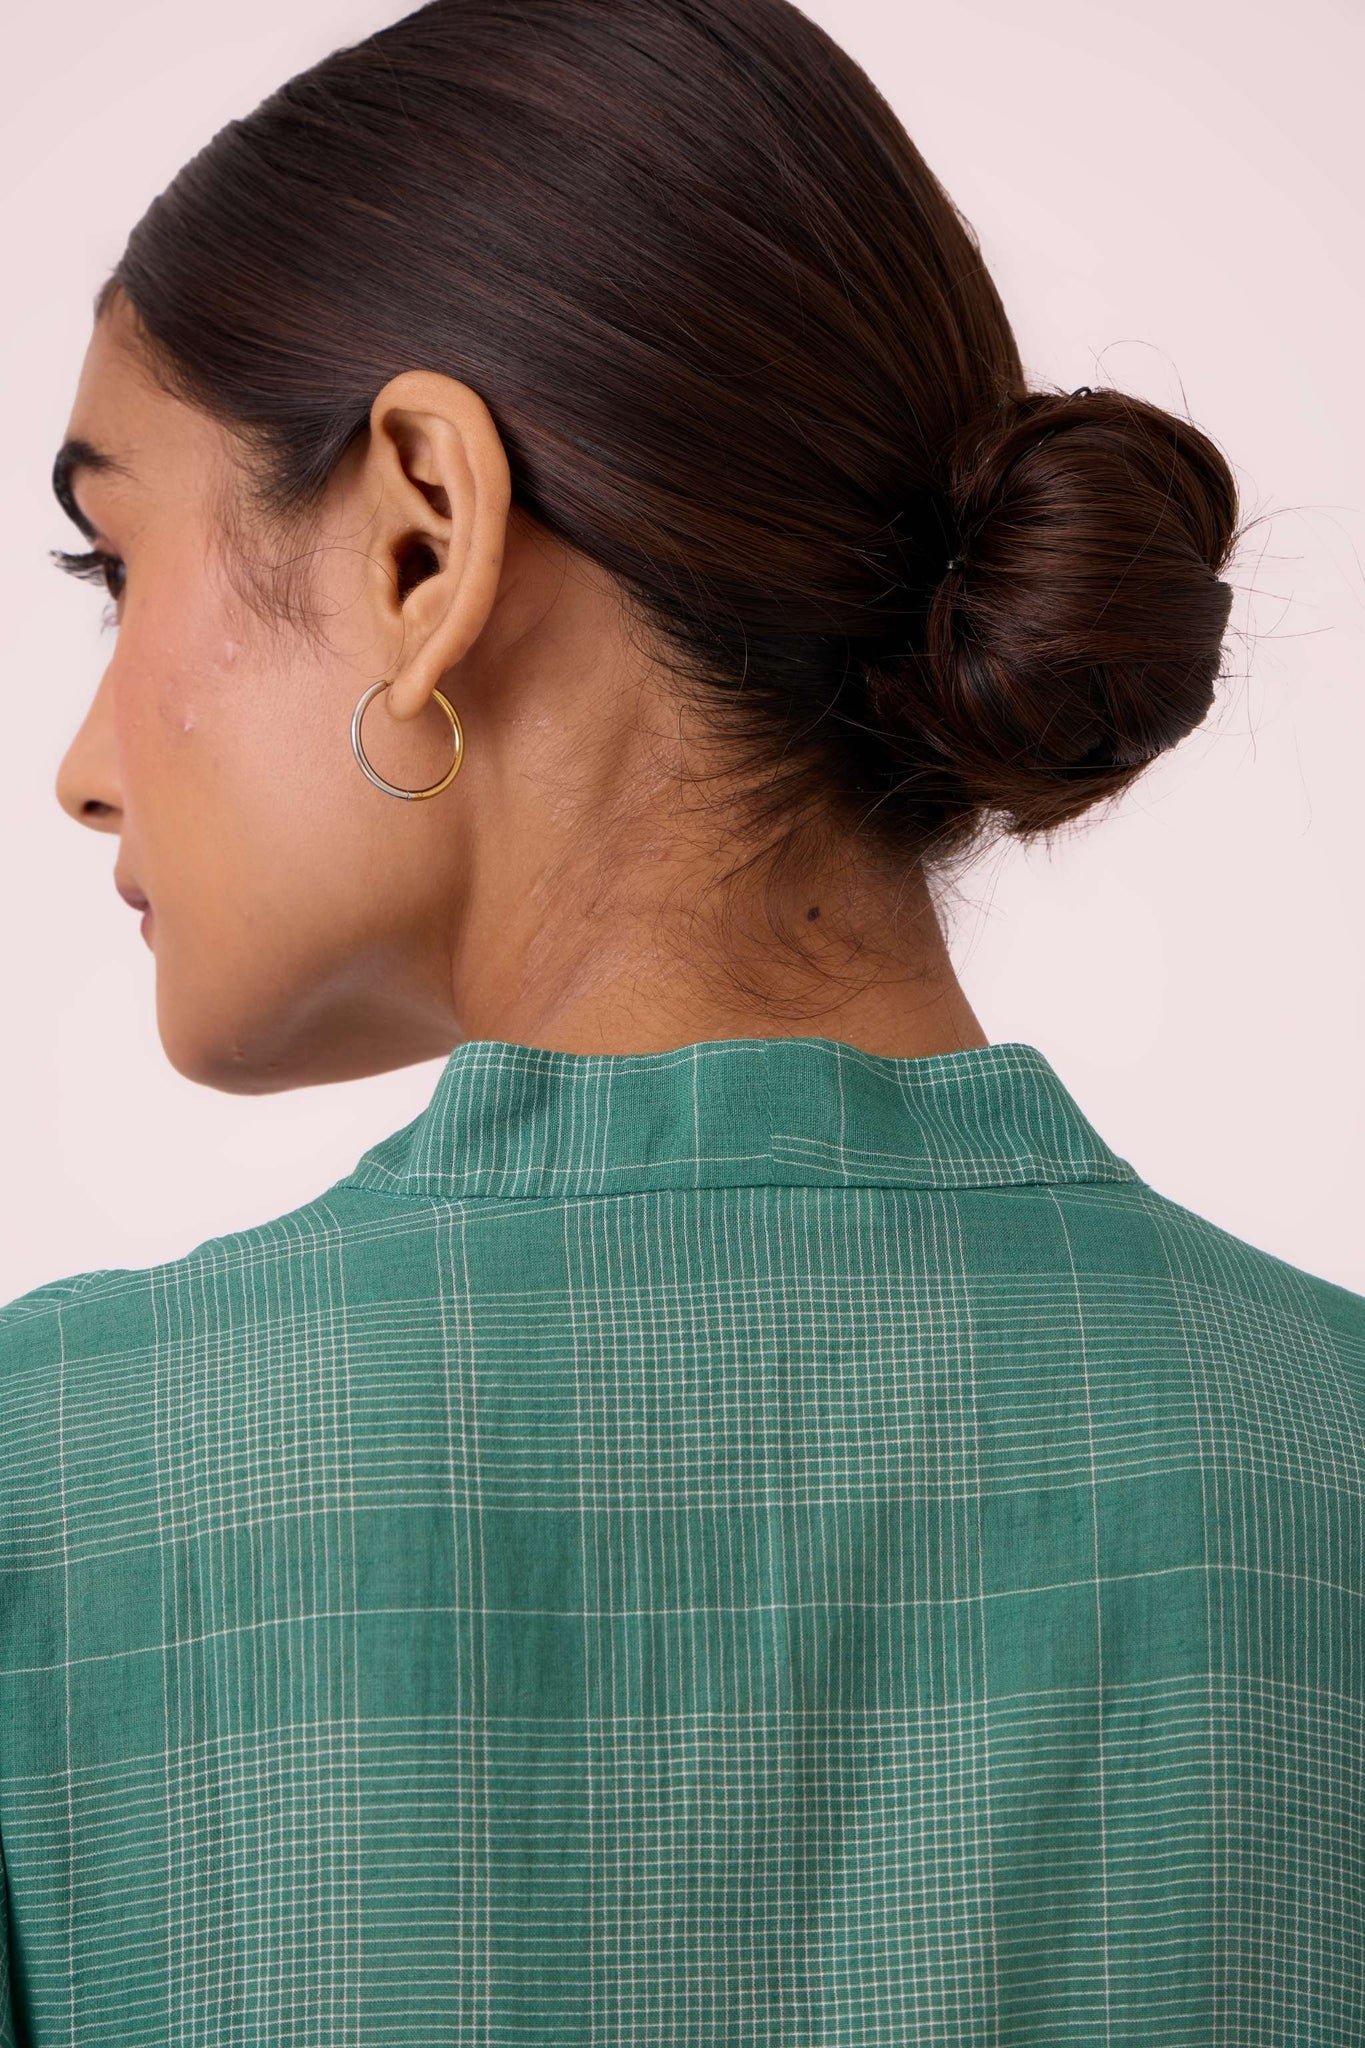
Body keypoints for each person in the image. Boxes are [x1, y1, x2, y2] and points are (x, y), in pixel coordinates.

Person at [3, 0, 1361, 2041]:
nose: (84, 770)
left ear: (423, 536)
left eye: (116, 564)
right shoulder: (1324, 1460)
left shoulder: (52, 1495)